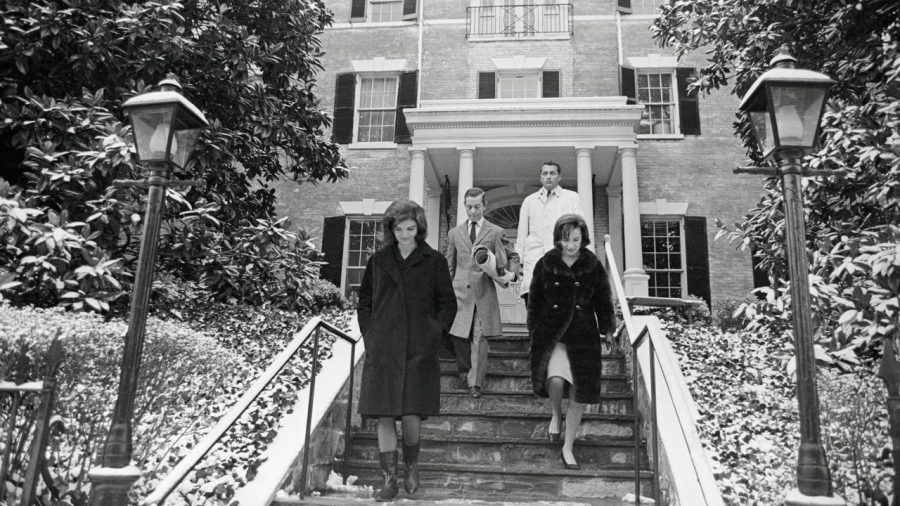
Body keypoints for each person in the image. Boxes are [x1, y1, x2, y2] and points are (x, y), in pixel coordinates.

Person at [357, 199, 457, 501]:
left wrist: (433, 332)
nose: (404, 234)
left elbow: (448, 303)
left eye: (410, 228)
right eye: (398, 229)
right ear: (391, 229)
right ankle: (389, 480)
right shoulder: (378, 261)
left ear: (419, 228)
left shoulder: (434, 260)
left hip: (419, 348)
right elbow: (364, 302)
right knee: (384, 416)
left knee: (412, 414)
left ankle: (412, 467)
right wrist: (370, 334)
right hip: (384, 347)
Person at [526, 214, 615, 470]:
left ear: (583, 238)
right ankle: (555, 413)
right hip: (552, 334)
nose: (571, 245)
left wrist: (608, 329)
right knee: (554, 380)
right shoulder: (546, 263)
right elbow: (535, 300)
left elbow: (604, 300)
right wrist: (533, 331)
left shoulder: (593, 265)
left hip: (584, 335)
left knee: (579, 392)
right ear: (558, 239)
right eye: (566, 239)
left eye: (576, 239)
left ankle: (568, 447)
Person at [445, 188, 510, 398]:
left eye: (476, 207)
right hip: (459, 293)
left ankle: (475, 383)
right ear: (465, 206)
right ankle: (465, 371)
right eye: (469, 207)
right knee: (459, 337)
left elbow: (508, 258)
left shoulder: (496, 232)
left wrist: (509, 274)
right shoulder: (454, 233)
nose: (472, 211)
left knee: (480, 337)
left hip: (483, 292)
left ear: (485, 206)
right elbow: (450, 265)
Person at [515, 161, 585, 303]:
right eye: (545, 173)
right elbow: (522, 234)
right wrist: (518, 261)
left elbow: (580, 229)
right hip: (534, 257)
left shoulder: (571, 198)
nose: (548, 177)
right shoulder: (529, 201)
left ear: (559, 177)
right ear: (540, 177)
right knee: (534, 302)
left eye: (552, 173)